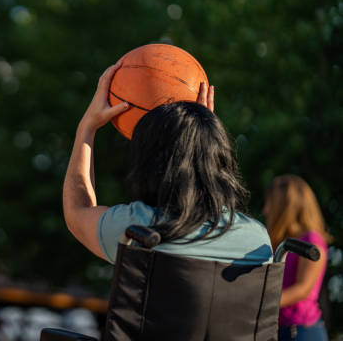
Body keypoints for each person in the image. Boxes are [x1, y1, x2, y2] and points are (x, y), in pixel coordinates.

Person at [63, 61, 273, 270]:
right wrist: (200, 129)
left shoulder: (136, 230)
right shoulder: (257, 242)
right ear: (219, 156)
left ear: (152, 163)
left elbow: (77, 211)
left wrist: (87, 128)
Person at [263, 175, 331, 341]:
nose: (265, 210)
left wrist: (259, 303)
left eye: (270, 203)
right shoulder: (277, 243)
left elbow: (303, 289)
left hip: (301, 332)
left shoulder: (312, 241)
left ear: (285, 207)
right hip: (278, 329)